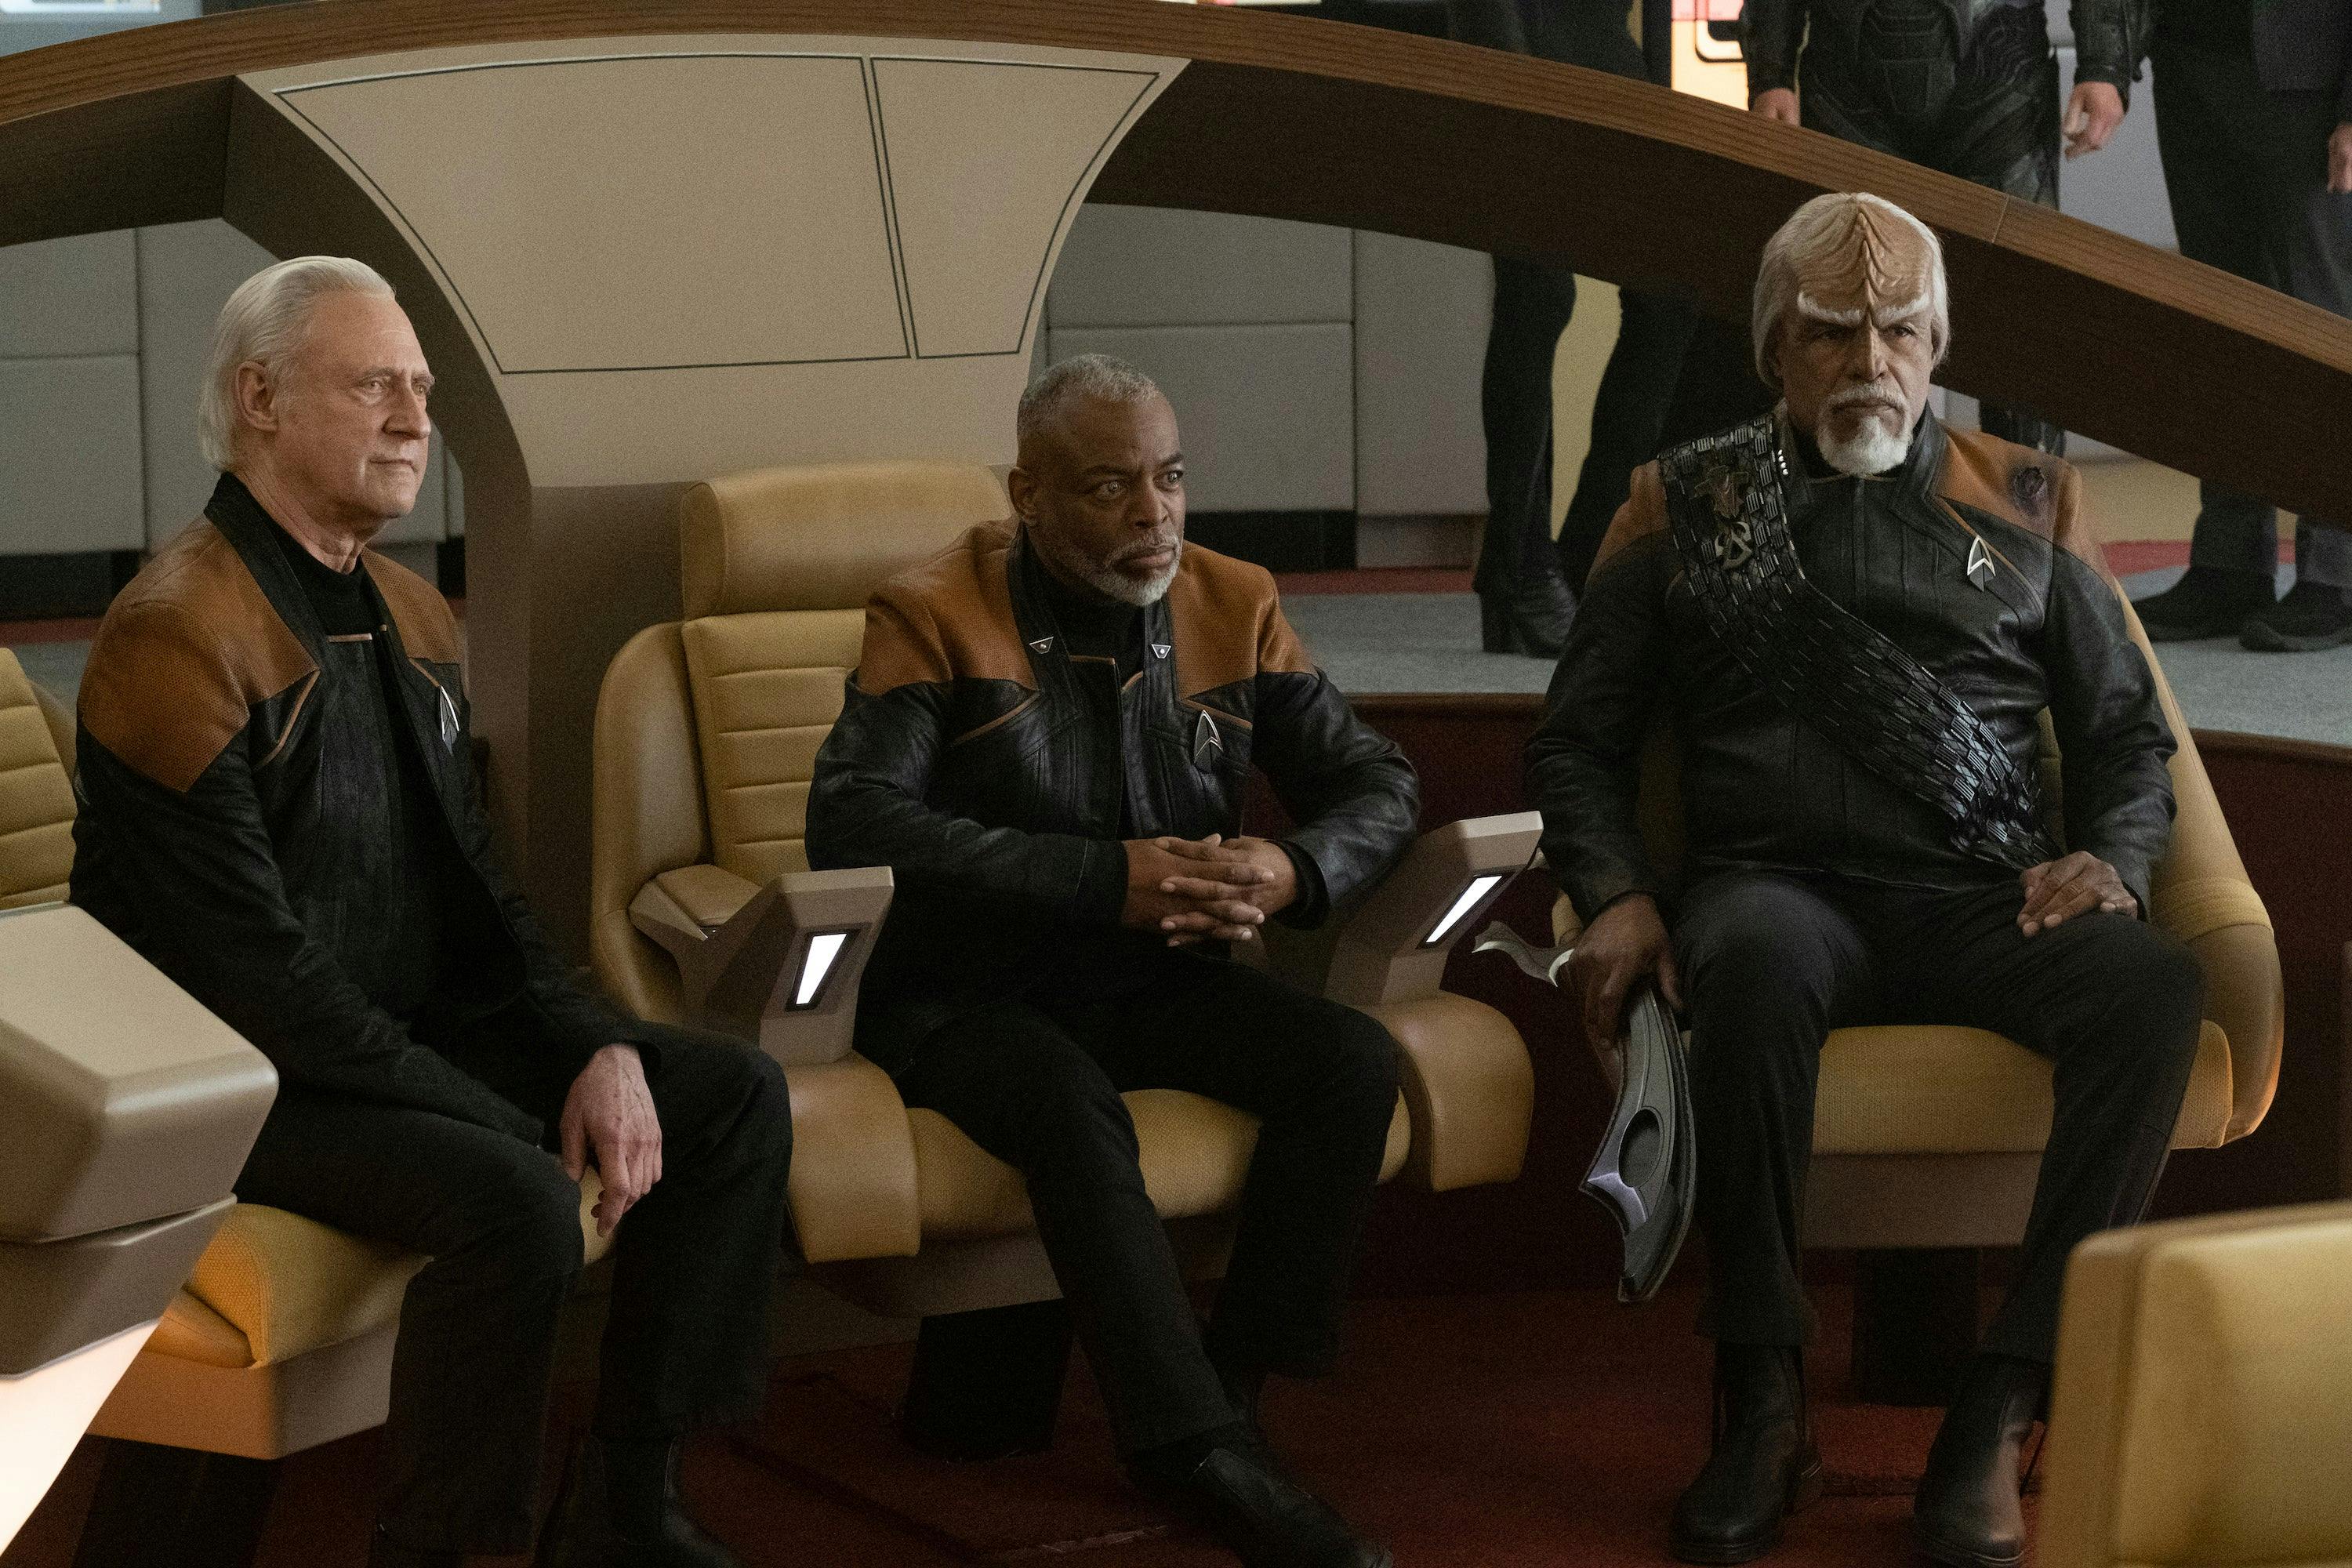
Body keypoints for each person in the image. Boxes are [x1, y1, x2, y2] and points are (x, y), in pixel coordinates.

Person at [70, 257, 794, 1568]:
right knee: (520, 1197)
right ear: (261, 401)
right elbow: (258, 979)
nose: (416, 421)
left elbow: (483, 898)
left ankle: (625, 1505)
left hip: (381, 1049)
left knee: (733, 1098)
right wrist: (506, 1119)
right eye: (375, 387)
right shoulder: (173, 632)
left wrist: (596, 1047)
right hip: (231, 1085)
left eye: (421, 389)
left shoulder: (410, 612)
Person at [1526, 194, 2201, 1568]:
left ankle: (2002, 1403)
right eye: (1833, 333)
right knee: (1750, 962)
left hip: (1987, 897)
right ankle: (1764, 1399)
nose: (1870, 363)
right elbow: (1577, 744)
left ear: (1940, 343)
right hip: (1778, 892)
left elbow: (2131, 736)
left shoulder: (2031, 497)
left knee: (2152, 992)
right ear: (1775, 348)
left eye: (1900, 332)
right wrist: (1615, 890)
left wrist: (2117, 862)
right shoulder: (1679, 502)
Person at [805, 354, 1416, 1568]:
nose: (1155, 514)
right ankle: (1187, 1449)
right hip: (963, 994)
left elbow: (1377, 782)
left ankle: (1231, 1398)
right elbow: (854, 824)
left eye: (1171, 478)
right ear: (1027, 493)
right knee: (1068, 1103)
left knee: (1350, 1063)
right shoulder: (930, 609)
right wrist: (1101, 879)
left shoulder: (1234, 600)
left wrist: (1289, 868)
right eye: (1110, 487)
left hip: (1157, 980)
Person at [1740, 0, 2142, 457]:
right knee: (1848, 302)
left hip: (1999, 73)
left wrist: (2104, 65)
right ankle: (1853, 490)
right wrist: (1770, 75)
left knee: (2019, 312)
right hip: (1851, 78)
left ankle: (2028, 495)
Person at [1450, 0, 1706, 651]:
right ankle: (1522, 568)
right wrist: (1507, 77)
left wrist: (1663, 98)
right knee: (1538, 295)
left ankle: (1582, 555)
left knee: (1668, 300)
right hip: (1514, 48)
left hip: (1609, 58)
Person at [2128, 0, 2352, 651]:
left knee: (2322, 325)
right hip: (2188, 58)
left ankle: (2337, 571)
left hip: (2310, 78)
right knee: (2217, 322)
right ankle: (2231, 562)